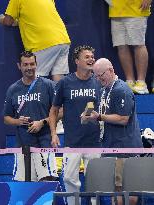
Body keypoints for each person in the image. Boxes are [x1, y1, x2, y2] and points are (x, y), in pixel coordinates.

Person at [83, 58, 143, 205]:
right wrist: (86, 114)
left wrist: (99, 117)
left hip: (125, 147)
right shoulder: (103, 90)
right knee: (115, 189)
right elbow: (93, 106)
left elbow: (123, 119)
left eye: (100, 75)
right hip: (110, 146)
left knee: (130, 189)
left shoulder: (121, 90)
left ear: (111, 70)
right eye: (95, 76)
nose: (98, 79)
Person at [49, 45, 101, 205]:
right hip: (72, 141)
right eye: (87, 57)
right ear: (77, 61)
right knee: (69, 178)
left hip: (94, 141)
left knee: (96, 181)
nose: (91, 59)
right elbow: (54, 110)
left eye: (92, 56)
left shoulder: (99, 81)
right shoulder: (65, 82)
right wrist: (53, 133)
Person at [3, 51, 58, 181]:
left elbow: (60, 111)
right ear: (19, 66)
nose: (29, 68)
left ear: (36, 64)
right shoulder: (13, 89)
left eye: (32, 64)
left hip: (44, 141)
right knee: (24, 186)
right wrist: (17, 121)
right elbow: (6, 118)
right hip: (23, 144)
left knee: (47, 182)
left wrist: (42, 122)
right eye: (25, 64)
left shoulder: (48, 85)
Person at [0, 0, 70, 81]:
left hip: (43, 43)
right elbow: (38, 15)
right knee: (58, 76)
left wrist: (1, 20)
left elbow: (8, 21)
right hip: (63, 39)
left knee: (34, 78)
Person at [107, 0, 152, 94]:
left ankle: (141, 83)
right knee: (121, 46)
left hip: (137, 9)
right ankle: (129, 82)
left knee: (138, 45)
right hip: (116, 10)